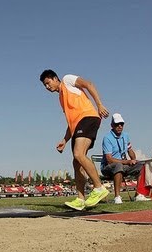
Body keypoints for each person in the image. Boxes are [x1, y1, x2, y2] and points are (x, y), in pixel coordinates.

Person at [39, 69, 110, 210]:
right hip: (78, 125)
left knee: (79, 154)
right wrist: (64, 140)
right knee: (76, 162)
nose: (47, 87)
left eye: (48, 83)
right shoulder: (61, 98)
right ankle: (80, 199)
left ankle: (99, 187)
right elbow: (71, 123)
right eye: (45, 86)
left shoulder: (67, 80)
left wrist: (99, 104)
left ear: (55, 78)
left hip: (88, 117)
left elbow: (88, 84)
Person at [101, 113, 151, 204]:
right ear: (112, 125)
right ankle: (117, 197)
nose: (120, 126)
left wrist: (134, 160)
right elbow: (109, 159)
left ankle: (139, 195)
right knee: (118, 165)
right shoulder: (107, 138)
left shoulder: (125, 136)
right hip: (108, 167)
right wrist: (127, 161)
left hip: (122, 165)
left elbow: (130, 150)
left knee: (142, 165)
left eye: (121, 124)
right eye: (117, 124)